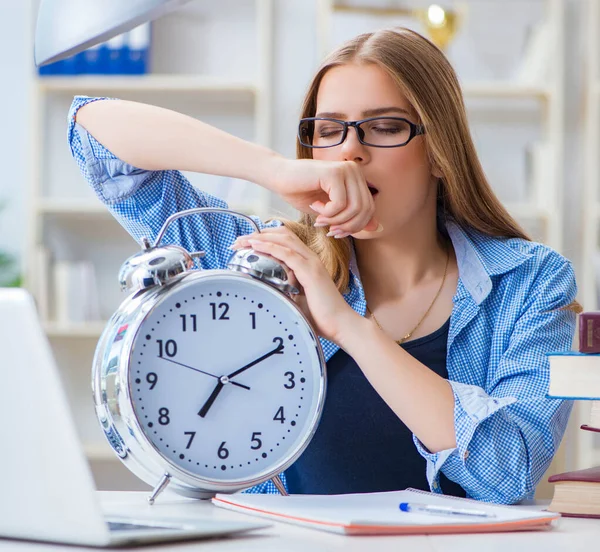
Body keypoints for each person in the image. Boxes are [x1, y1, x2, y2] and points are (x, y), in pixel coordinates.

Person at [68, 27, 580, 504]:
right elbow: (93, 134)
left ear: (439, 151)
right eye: (329, 130)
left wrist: (347, 327)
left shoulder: (530, 283)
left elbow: (509, 469)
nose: (349, 153)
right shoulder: (265, 257)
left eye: (383, 127)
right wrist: (274, 170)